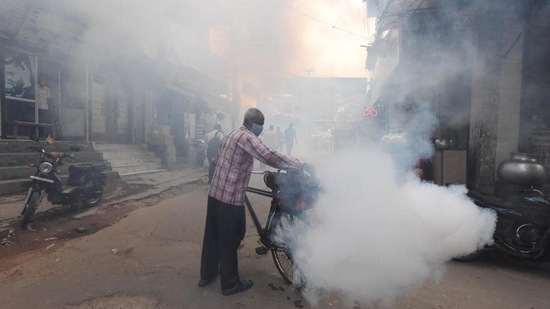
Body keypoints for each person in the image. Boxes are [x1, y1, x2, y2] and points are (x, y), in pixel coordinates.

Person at [199, 108, 304, 296]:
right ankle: (230, 284)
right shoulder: (246, 137)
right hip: (229, 198)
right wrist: (298, 163)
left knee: (212, 236)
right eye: (260, 125)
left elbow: (216, 160)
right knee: (230, 240)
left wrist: (232, 169)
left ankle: (207, 274)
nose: (261, 128)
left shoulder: (231, 134)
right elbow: (268, 155)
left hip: (214, 195)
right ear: (250, 123)